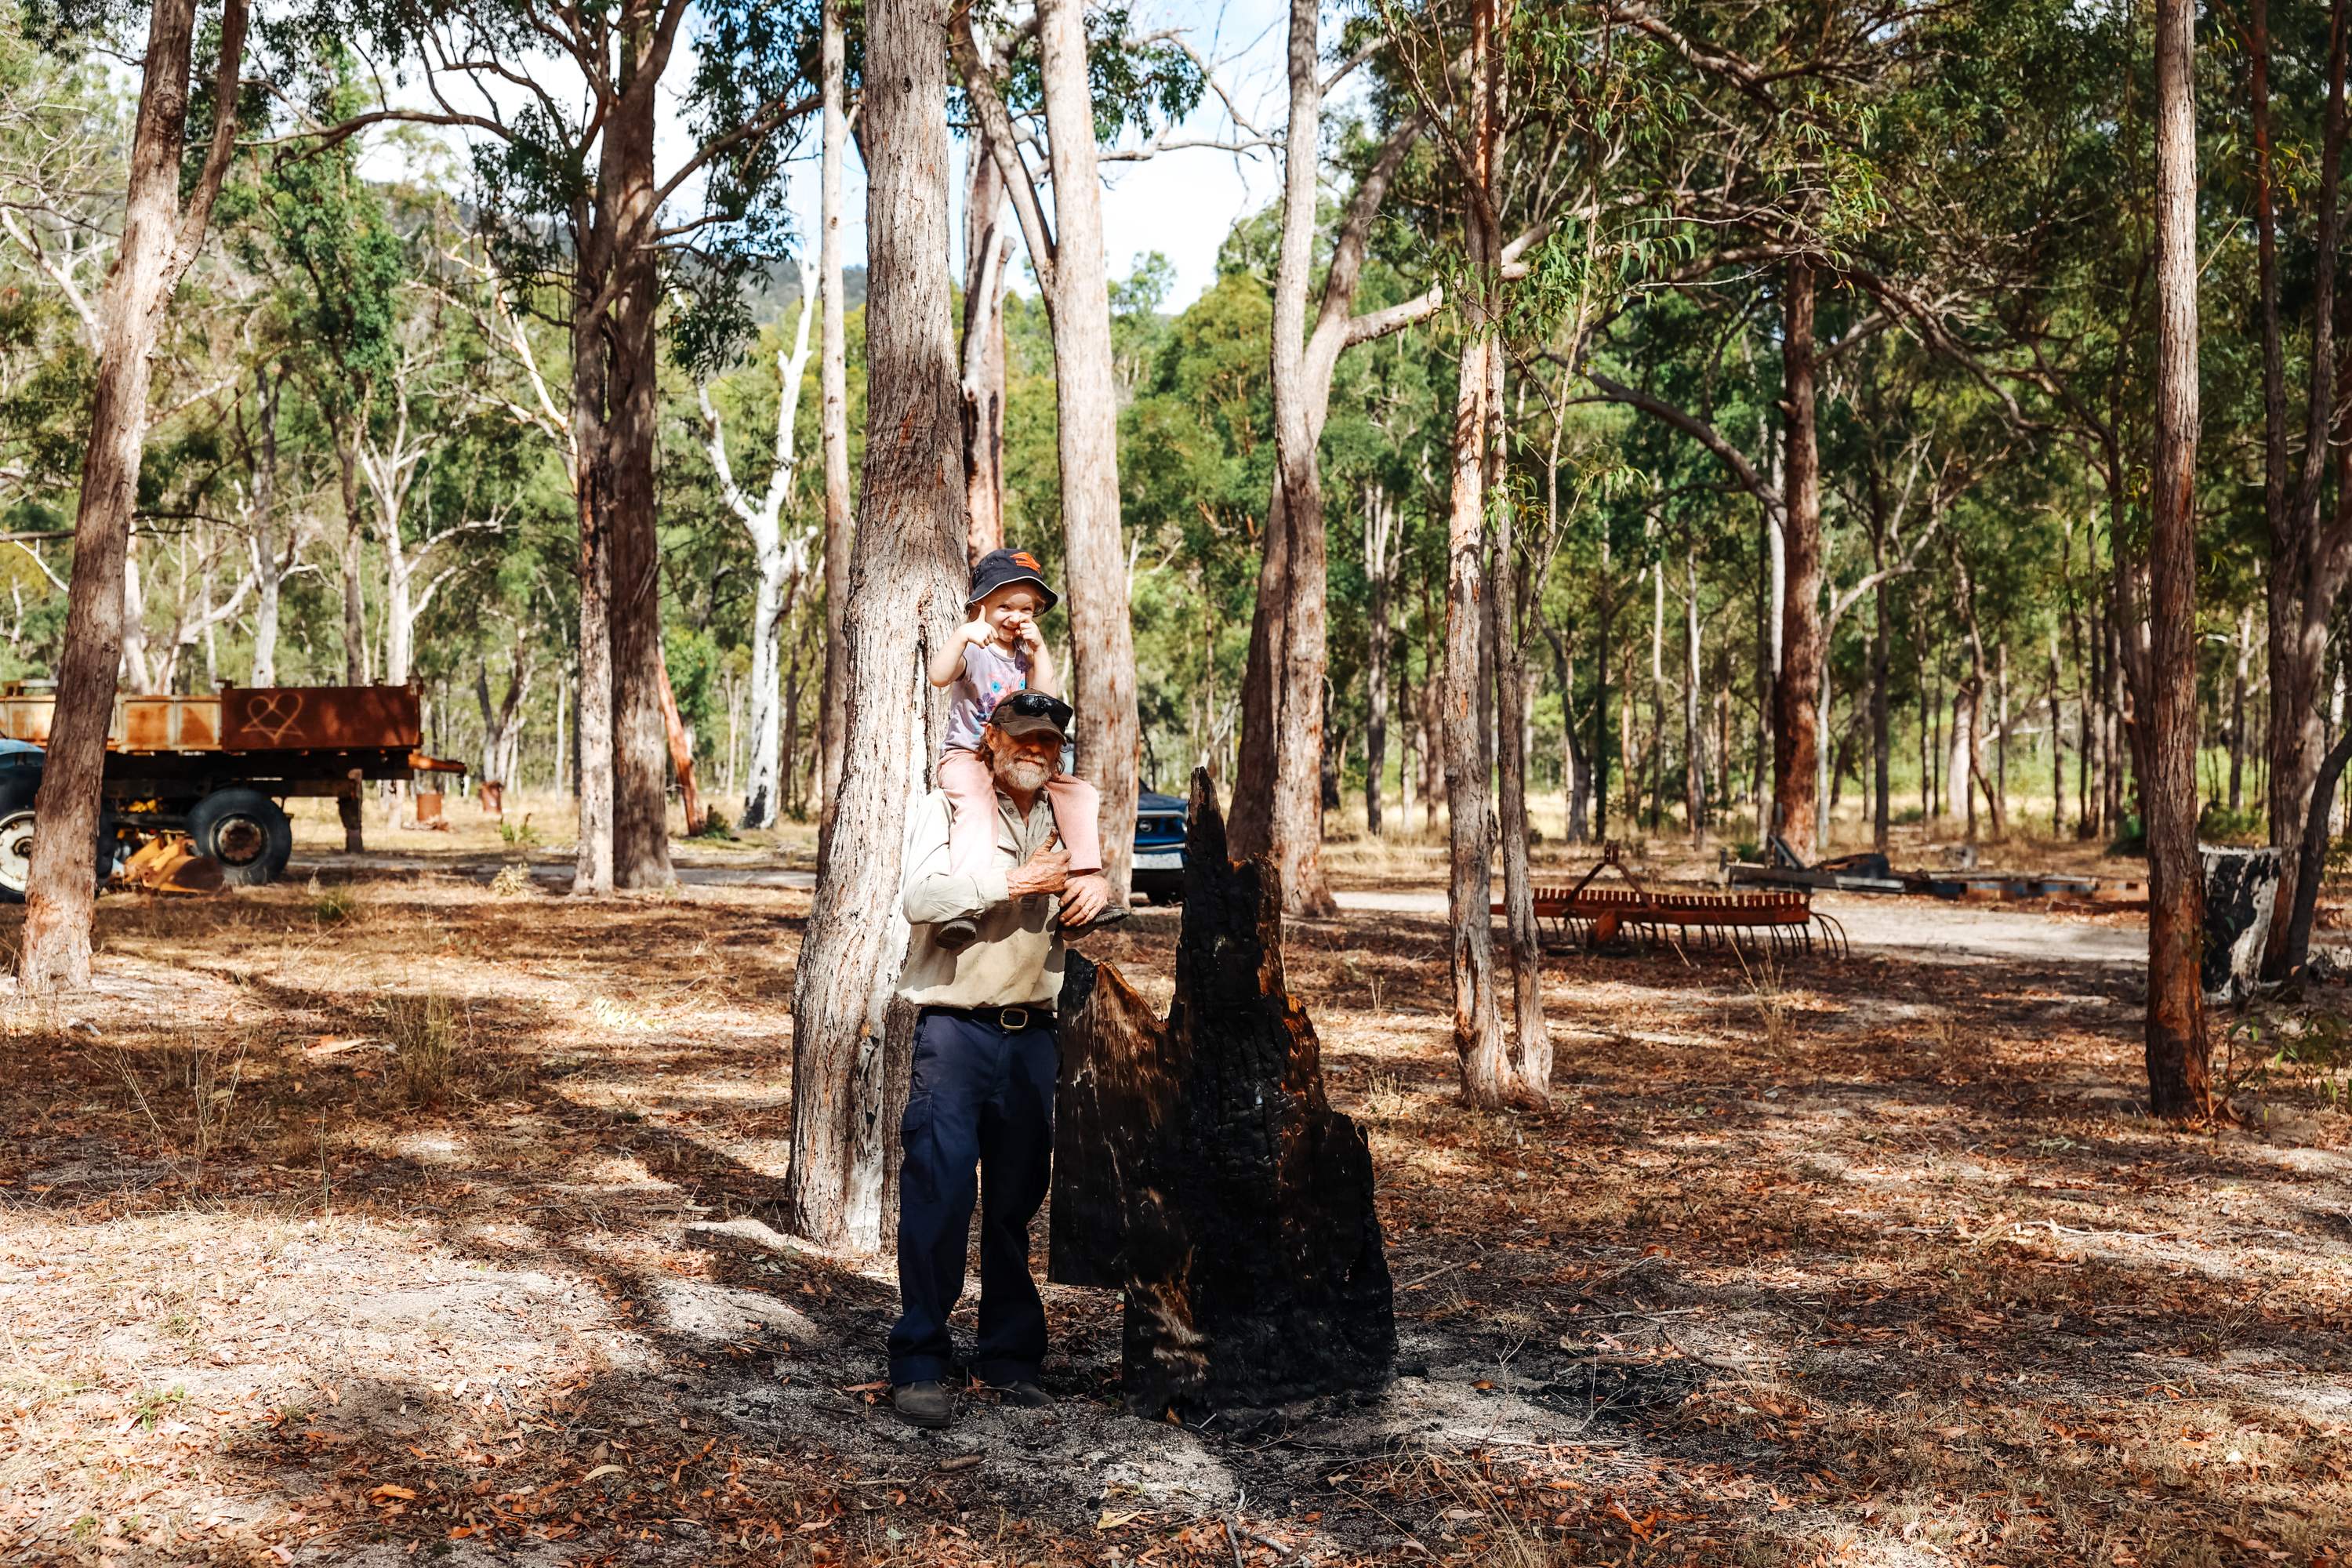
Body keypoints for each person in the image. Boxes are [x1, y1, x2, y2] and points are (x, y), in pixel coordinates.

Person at [887, 693, 1112, 1428]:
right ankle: (921, 1360)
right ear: (990, 737)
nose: (1035, 751)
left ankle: (1010, 1357)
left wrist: (1098, 885)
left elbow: (1101, 892)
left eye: (1048, 741)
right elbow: (920, 894)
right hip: (954, 1029)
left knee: (1016, 1202)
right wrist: (1017, 883)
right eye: (1021, 737)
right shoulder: (948, 808)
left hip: (1034, 1032)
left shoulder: (1068, 817)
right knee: (938, 1195)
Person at [926, 548, 1103, 950]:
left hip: (1017, 759)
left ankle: (1082, 881)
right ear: (980, 605)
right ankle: (962, 908)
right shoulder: (974, 647)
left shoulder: (1025, 655)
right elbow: (938, 676)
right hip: (969, 754)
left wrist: (1039, 651)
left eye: (1026, 609)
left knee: (1079, 793)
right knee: (975, 806)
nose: (1015, 617)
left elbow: (1047, 701)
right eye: (1004, 605)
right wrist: (961, 635)